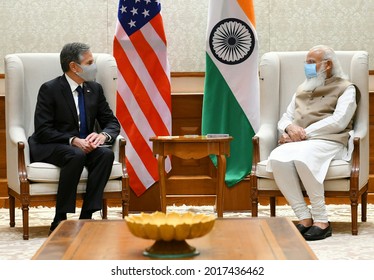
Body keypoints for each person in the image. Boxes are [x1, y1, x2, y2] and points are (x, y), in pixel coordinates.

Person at [266, 45, 360, 241]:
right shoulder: (303, 88)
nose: (306, 66)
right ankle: (304, 218)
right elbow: (286, 117)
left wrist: (303, 133)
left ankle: (322, 221)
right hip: (299, 141)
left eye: (311, 62)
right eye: (306, 62)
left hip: (329, 140)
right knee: (277, 158)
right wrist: (289, 129)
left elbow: (339, 121)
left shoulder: (346, 88)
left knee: (303, 157)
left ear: (327, 65)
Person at [28, 42, 120, 234]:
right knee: (75, 155)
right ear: (74, 67)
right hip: (54, 144)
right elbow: (43, 130)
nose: (94, 66)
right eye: (90, 62)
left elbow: (112, 122)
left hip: (84, 145)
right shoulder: (50, 89)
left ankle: (87, 216)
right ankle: (60, 217)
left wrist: (102, 136)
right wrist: (73, 140)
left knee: (105, 156)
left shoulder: (94, 89)